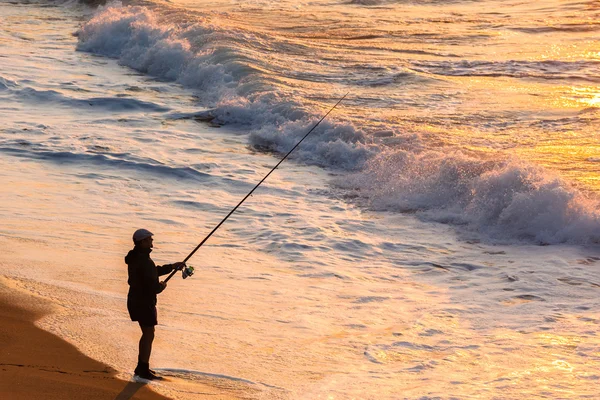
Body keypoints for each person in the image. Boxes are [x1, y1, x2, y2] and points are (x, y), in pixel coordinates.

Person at [125, 228, 185, 380]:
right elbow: (153, 286)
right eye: (150, 239)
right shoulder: (143, 260)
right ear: (143, 241)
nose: (152, 241)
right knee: (148, 333)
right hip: (144, 302)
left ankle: (142, 366)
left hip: (135, 300)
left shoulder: (136, 257)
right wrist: (162, 286)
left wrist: (172, 266)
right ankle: (142, 368)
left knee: (147, 333)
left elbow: (152, 272)